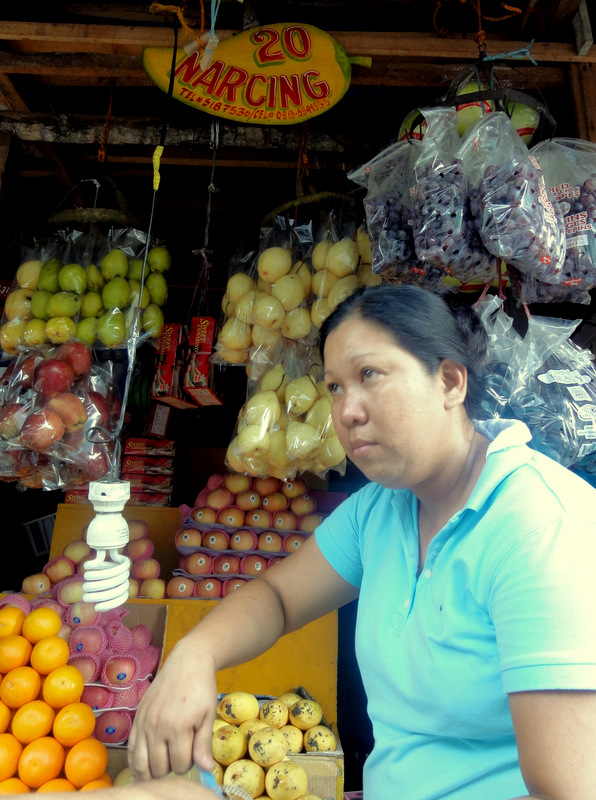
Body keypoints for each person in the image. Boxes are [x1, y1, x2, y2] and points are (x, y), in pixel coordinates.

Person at [128, 283, 596, 800]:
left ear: (449, 382)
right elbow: (278, 598)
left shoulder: (541, 529)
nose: (346, 411)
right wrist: (194, 654)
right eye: (334, 387)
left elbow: (567, 790)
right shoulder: (382, 509)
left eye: (369, 375)